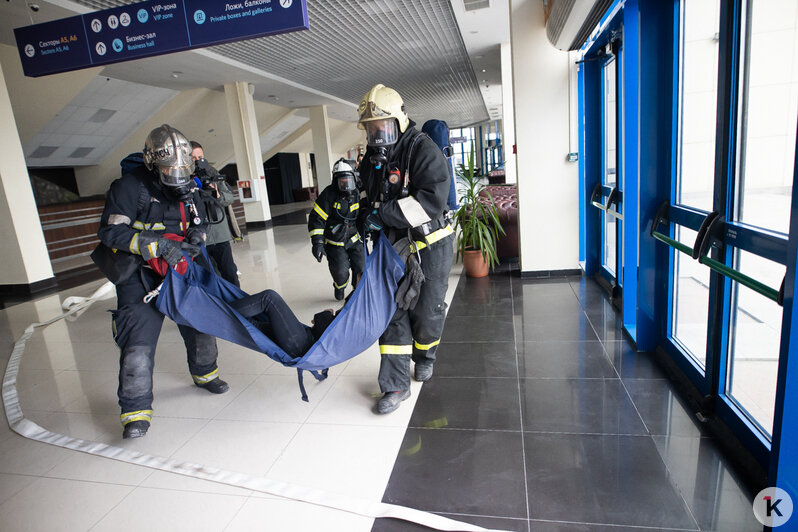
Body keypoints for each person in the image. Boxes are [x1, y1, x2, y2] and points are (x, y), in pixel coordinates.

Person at [96, 124, 229, 439]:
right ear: (153, 164)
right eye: (170, 172)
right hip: (139, 273)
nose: (177, 179)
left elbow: (197, 219)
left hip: (181, 268)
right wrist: (157, 245)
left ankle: (205, 374)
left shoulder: (187, 185)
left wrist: (198, 235)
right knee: (137, 344)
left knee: (201, 326)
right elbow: (110, 232)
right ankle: (135, 412)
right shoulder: (128, 188)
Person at [356, 83, 455, 414]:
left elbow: (429, 202)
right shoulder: (371, 160)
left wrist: (382, 213)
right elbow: (366, 197)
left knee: (426, 310)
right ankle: (395, 386)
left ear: (399, 120)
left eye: (381, 126)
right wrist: (363, 218)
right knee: (392, 312)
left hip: (430, 245)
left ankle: (425, 355)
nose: (376, 134)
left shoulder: (422, 150)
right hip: (392, 246)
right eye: (370, 129)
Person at [307, 158, 367, 300]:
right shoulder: (328, 195)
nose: (346, 185)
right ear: (335, 181)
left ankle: (356, 294)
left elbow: (366, 209)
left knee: (361, 268)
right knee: (340, 273)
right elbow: (317, 219)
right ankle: (339, 287)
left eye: (349, 181)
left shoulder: (359, 192)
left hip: (354, 239)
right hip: (335, 243)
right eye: (342, 182)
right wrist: (318, 243)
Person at [189, 141, 240, 286]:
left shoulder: (212, 173)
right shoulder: (182, 179)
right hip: (199, 237)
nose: (198, 161)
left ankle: (240, 303)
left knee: (229, 273)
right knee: (209, 278)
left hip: (220, 235)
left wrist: (217, 195)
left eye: (200, 157)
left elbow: (229, 197)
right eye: (193, 158)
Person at [229, 290, 335, 358]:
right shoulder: (349, 320)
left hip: (302, 345)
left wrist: (327, 313)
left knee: (269, 298)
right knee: (254, 326)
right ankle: (220, 310)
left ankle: (219, 310)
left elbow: (320, 325)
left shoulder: (348, 320)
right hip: (304, 340)